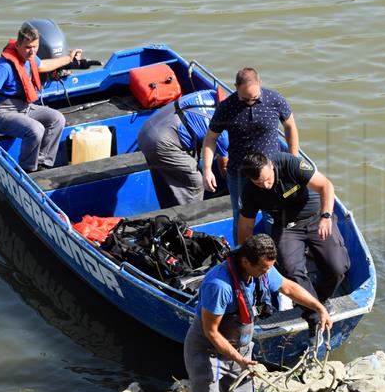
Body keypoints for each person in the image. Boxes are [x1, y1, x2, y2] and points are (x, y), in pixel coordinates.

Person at [183, 234, 332, 392]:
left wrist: (319, 308)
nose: (267, 273)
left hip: (241, 350)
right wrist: (239, 359)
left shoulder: (262, 270)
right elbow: (211, 332)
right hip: (209, 353)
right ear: (245, 261)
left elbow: (289, 287)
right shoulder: (218, 286)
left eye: (269, 268)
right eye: (263, 268)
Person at [238, 152, 350, 304]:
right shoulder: (249, 191)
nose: (265, 185)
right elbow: (246, 225)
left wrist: (326, 216)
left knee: (337, 269)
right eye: (258, 183)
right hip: (287, 227)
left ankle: (319, 297)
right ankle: (312, 308)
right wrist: (245, 255)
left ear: (271, 165)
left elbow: (326, 185)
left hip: (317, 218)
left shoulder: (290, 164)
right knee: (290, 271)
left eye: (267, 179)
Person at [201, 68, 299, 241]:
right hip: (239, 174)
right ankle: (242, 256)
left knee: (274, 215)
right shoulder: (227, 107)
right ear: (236, 87)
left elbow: (290, 126)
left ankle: (274, 255)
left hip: (271, 172)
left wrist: (293, 160)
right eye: (245, 99)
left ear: (260, 84)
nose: (250, 102)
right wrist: (207, 169)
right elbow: (211, 138)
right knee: (241, 217)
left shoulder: (275, 100)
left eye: (254, 98)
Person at [0, 22, 83, 173]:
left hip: (25, 108)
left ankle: (43, 163)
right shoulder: (5, 66)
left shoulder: (30, 58)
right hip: (3, 113)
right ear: (17, 45)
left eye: (35, 47)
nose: (32, 51)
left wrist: (69, 58)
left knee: (57, 118)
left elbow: (43, 65)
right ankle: (28, 170)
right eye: (28, 47)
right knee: (36, 129)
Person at [136, 90, 229, 208]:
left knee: (167, 177)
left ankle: (169, 210)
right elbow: (224, 168)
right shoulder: (222, 132)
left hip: (146, 129)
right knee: (195, 183)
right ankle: (190, 220)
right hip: (160, 143)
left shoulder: (211, 93)